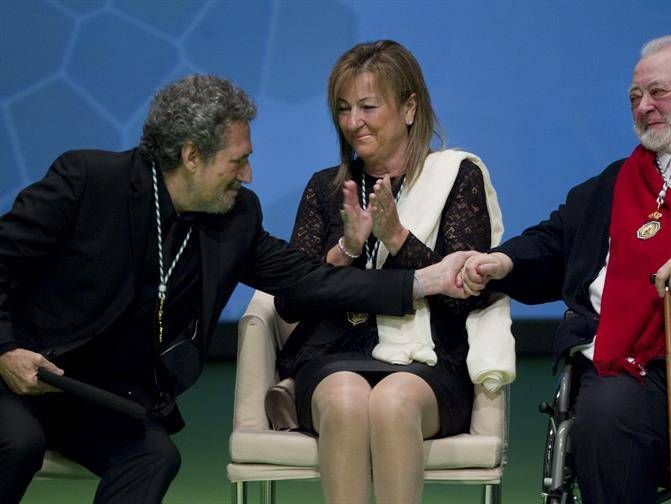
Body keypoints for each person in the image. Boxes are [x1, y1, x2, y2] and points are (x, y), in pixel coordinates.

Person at [0, 74, 470, 504]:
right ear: (190, 156)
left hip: (99, 398)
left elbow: (311, 280)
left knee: (154, 456)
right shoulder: (88, 180)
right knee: (19, 443)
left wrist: (418, 282)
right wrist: (6, 350)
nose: (247, 175)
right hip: (19, 378)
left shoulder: (234, 217)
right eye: (238, 161)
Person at [461, 35, 671, 503]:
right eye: (635, 97)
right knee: (603, 420)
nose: (643, 106)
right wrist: (503, 261)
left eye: (658, 92)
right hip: (633, 356)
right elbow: (554, 240)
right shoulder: (612, 183)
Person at [272, 40, 513, 504]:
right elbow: (290, 301)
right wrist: (346, 249)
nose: (352, 122)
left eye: (368, 106)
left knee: (392, 402)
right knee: (344, 402)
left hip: (431, 361)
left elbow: (467, 290)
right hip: (333, 353)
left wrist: (398, 239)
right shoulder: (326, 189)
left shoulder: (456, 178)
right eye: (343, 109)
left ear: (409, 108)